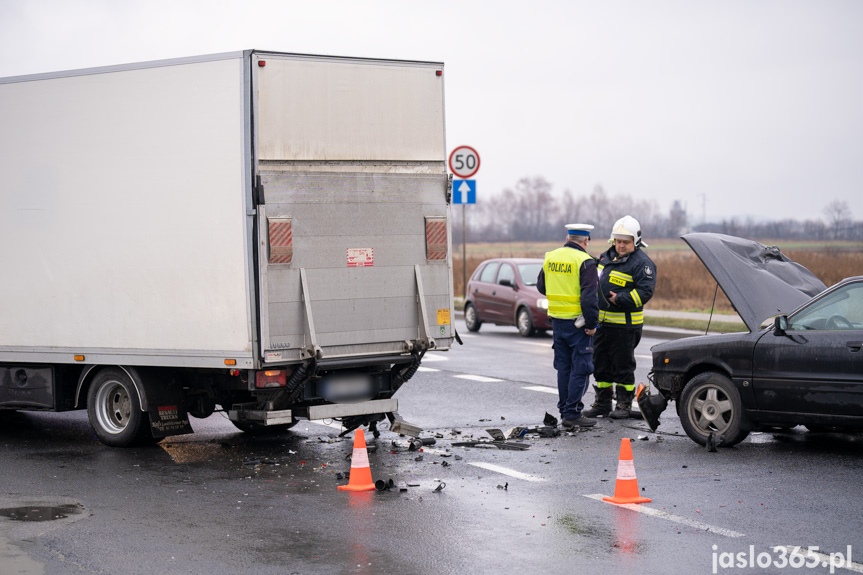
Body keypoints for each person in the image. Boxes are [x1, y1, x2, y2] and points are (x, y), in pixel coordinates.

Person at [584, 215, 656, 419]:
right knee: (600, 365)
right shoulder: (606, 257)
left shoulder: (642, 264)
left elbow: (645, 292)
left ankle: (623, 404)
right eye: (618, 241)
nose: (621, 246)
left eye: (626, 242)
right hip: (602, 325)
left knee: (622, 367)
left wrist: (621, 299)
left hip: (625, 327)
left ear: (636, 241)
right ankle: (603, 403)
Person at [537, 223, 600, 428]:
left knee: (563, 368)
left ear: (567, 238)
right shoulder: (585, 261)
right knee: (581, 369)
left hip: (557, 323)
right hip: (578, 324)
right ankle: (572, 413)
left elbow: (541, 286)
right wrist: (592, 323)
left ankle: (565, 410)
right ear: (586, 241)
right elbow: (589, 298)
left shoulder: (551, 257)